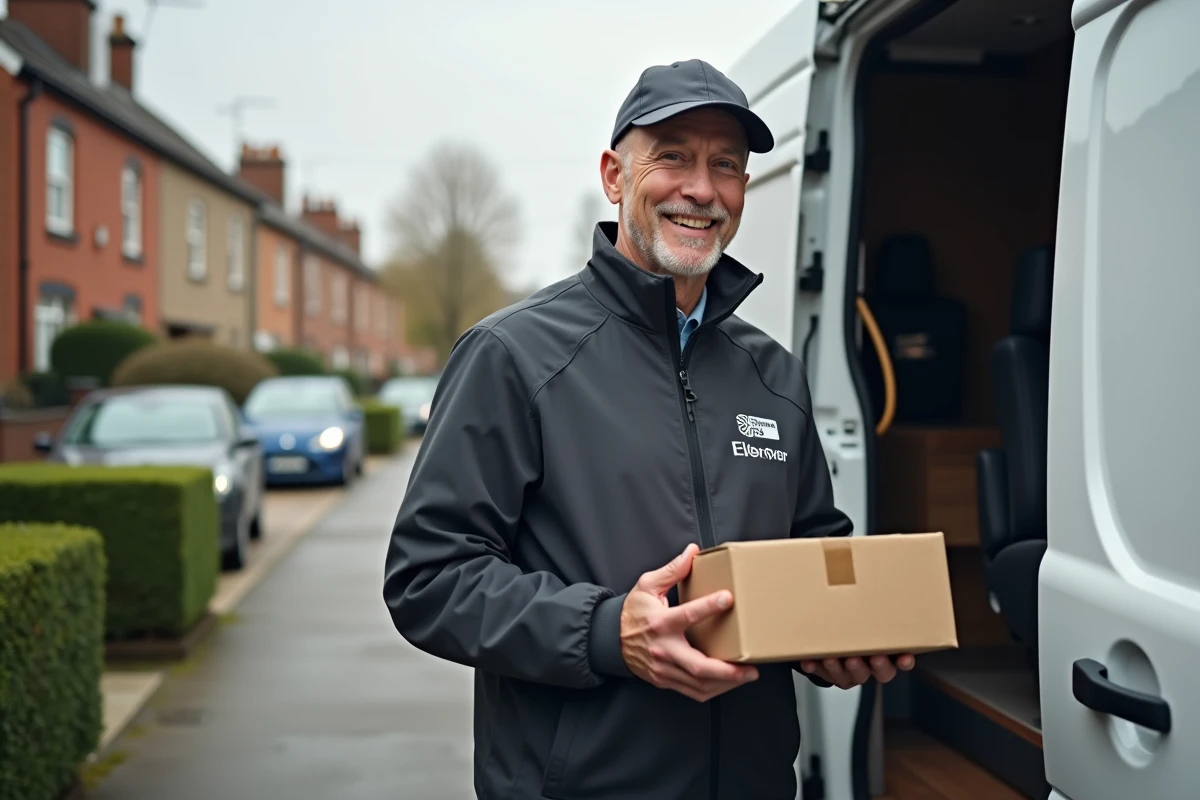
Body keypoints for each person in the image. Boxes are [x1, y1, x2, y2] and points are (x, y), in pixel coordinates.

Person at [383, 58, 916, 799]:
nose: (701, 189)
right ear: (614, 176)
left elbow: (810, 552)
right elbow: (429, 578)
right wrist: (607, 632)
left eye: (725, 165)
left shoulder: (774, 374)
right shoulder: (514, 356)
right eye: (673, 157)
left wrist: (837, 640)